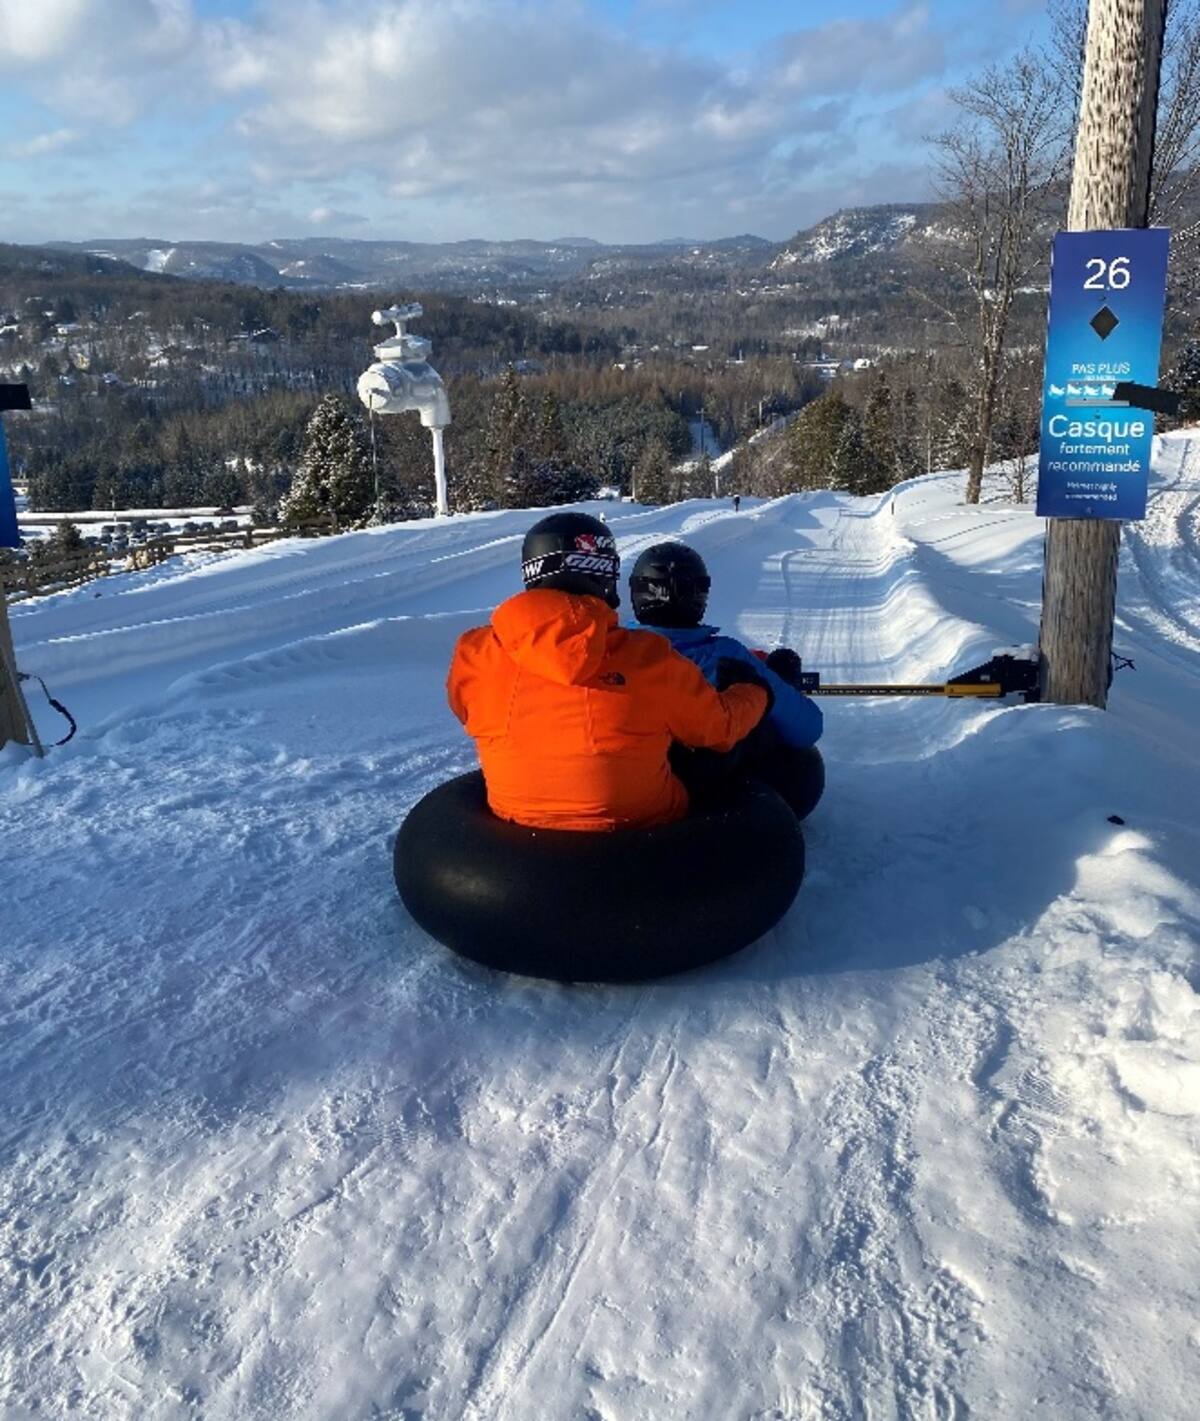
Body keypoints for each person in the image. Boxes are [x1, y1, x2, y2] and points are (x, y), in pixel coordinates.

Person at [447, 511, 772, 832]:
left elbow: (465, 711)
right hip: (639, 829)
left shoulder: (473, 651)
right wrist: (754, 690)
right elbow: (720, 728)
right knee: (721, 753)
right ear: (603, 574)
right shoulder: (648, 656)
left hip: (514, 825)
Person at [629, 541, 825, 818]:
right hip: (713, 798)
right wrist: (776, 682)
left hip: (627, 787)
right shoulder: (729, 657)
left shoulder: (610, 647)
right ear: (700, 595)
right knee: (791, 751)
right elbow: (808, 728)